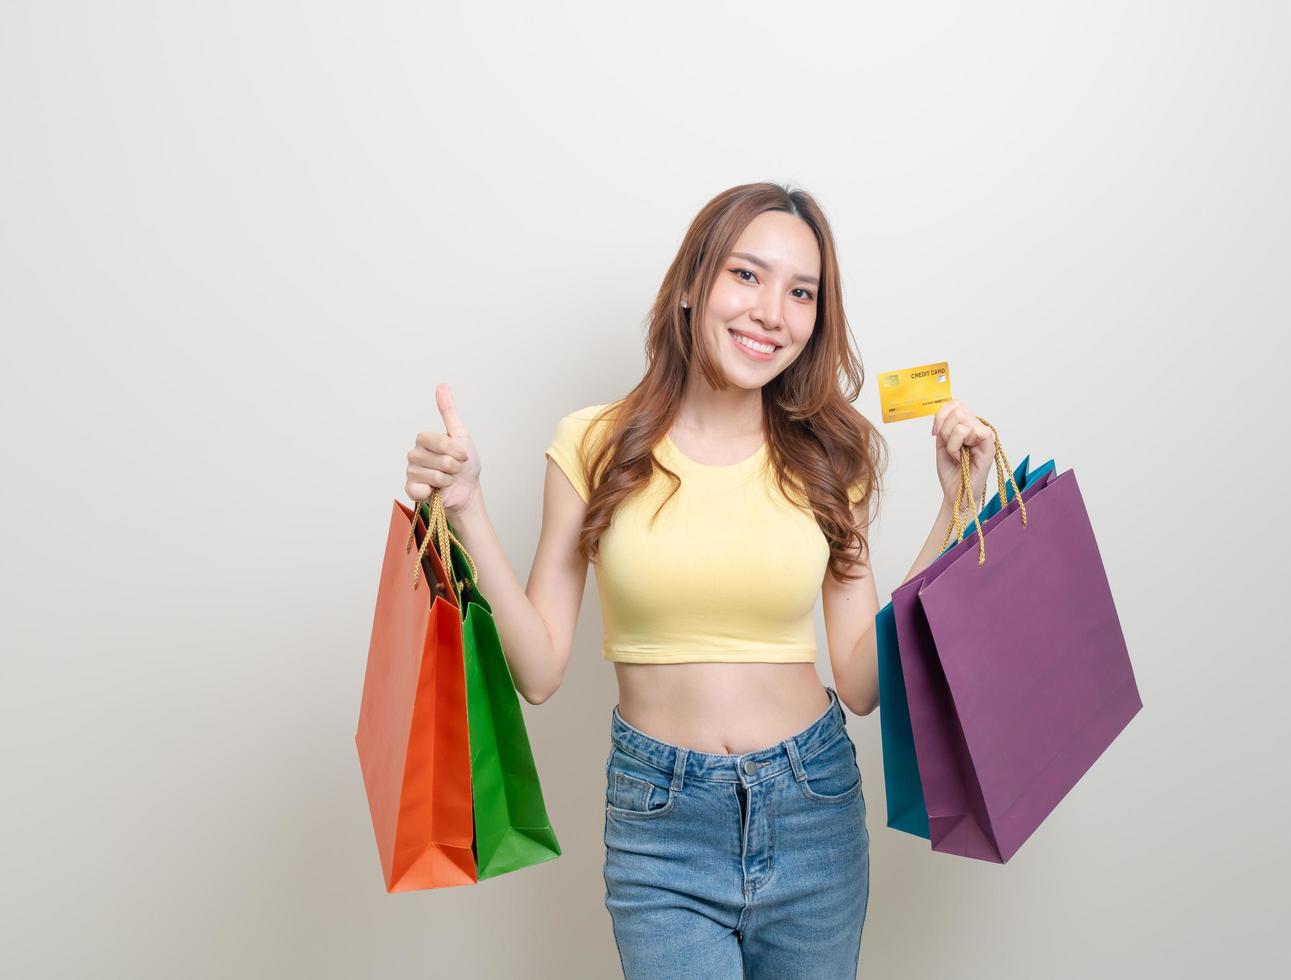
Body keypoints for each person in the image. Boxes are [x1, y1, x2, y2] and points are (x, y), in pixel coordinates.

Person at [402, 182, 999, 979]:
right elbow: (539, 669)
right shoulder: (594, 443)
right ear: (691, 285)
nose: (771, 312)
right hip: (660, 823)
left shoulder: (832, 454)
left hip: (813, 804)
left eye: (801, 292)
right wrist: (469, 511)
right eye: (746, 276)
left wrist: (956, 506)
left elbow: (860, 677)